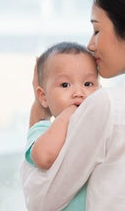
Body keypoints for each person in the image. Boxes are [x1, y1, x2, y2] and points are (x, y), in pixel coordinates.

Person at [21, 0, 125, 211]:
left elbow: (42, 201)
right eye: (65, 84)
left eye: (97, 30)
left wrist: (39, 115)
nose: (90, 45)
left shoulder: (107, 106)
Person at [24, 42, 99, 210]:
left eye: (88, 84)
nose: (79, 93)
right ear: (43, 97)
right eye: (65, 85)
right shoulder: (43, 130)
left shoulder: (99, 125)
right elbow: (43, 157)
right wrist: (67, 115)